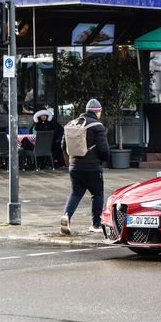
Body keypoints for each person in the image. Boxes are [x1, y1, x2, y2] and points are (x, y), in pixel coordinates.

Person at [60, 99, 110, 235]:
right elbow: (103, 149)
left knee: (76, 193)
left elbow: (63, 146)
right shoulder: (98, 126)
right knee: (97, 193)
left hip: (74, 167)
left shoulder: (72, 123)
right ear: (98, 112)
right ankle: (96, 224)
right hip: (92, 167)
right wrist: (103, 160)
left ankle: (66, 216)